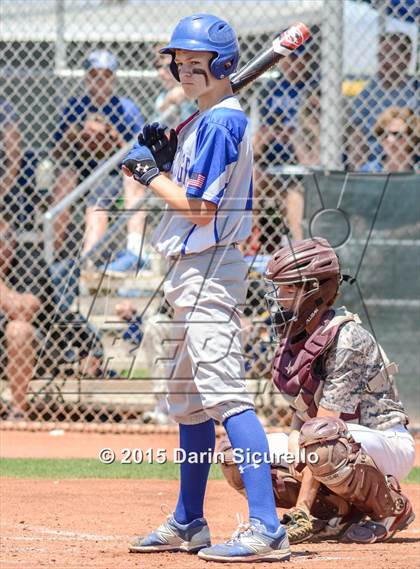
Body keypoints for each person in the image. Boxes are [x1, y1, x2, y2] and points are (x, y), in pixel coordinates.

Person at [121, 13, 291, 563]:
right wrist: (168, 158)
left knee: (226, 399)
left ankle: (267, 528)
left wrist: (152, 177)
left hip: (210, 267)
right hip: (186, 272)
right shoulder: (203, 119)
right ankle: (190, 519)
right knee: (190, 406)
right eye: (181, 63)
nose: (185, 71)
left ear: (223, 67)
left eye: (198, 65)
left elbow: (200, 210)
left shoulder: (220, 122)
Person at [219, 237, 415, 545]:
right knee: (236, 454)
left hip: (385, 442)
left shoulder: (347, 338)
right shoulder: (296, 336)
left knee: (319, 441)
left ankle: (390, 509)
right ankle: (337, 513)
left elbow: (323, 427)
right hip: (333, 440)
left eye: (287, 288)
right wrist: (295, 440)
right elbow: (305, 414)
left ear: (313, 290)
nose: (278, 298)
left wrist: (301, 509)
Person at [52, 50, 146, 272]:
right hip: (79, 167)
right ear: (86, 78)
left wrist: (111, 136)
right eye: (94, 75)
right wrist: (77, 133)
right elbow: (56, 150)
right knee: (64, 183)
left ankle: (87, 261)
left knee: (98, 201)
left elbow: (141, 152)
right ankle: (51, 256)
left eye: (105, 76)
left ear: (113, 79)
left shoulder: (126, 108)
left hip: (111, 170)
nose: (99, 82)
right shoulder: (75, 105)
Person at [347, 32, 417, 170]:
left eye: (391, 55)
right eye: (381, 56)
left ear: (406, 58)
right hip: (374, 148)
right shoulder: (372, 88)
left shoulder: (414, 89)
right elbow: (354, 123)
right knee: (356, 135)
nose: (384, 61)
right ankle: (356, 180)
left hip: (404, 147)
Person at [360, 106, 418, 173]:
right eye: (384, 134)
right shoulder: (368, 170)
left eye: (397, 134)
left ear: (412, 136)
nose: (390, 140)